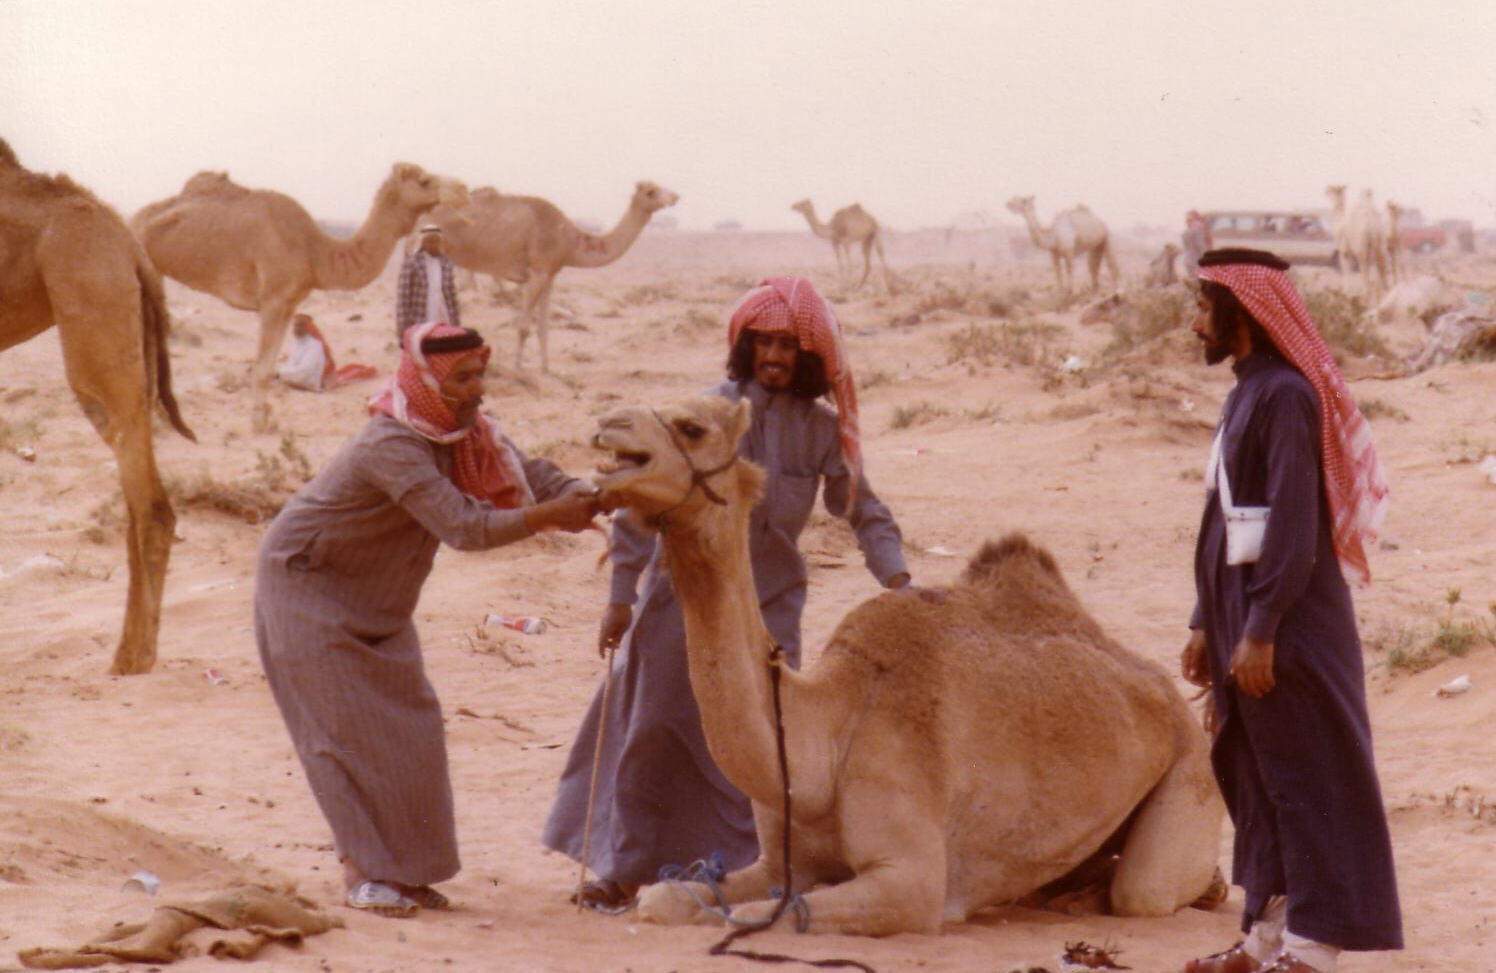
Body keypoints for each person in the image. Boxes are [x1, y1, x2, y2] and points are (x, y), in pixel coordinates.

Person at [542, 276, 910, 908]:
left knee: (758, 744)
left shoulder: (821, 432)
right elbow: (639, 496)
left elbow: (861, 509)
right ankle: (622, 872)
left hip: (768, 609)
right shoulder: (701, 415)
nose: (775, 357)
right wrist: (622, 595)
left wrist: (900, 582)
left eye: (788, 347)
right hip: (678, 600)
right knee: (651, 731)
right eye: (764, 343)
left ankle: (742, 872)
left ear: (808, 358)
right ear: (747, 347)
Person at [254, 322, 600, 918]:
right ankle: (361, 874)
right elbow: (465, 527)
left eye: (479, 375)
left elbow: (528, 474)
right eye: (461, 378)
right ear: (428, 382)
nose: (477, 390)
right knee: (339, 738)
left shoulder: (465, 435)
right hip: (307, 587)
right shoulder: (389, 444)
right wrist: (550, 517)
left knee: (410, 731)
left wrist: (595, 493)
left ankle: (407, 875)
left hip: (380, 600)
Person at [1179, 249, 1402, 973]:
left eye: (1204, 309)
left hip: (1289, 629)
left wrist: (1262, 627)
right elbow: (1225, 516)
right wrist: (1203, 620)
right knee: (1259, 777)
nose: (1194, 323)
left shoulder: (1285, 396)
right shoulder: (1247, 390)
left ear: (1240, 314)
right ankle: (1266, 936)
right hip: (1243, 622)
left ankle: (1311, 949)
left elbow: (1293, 525)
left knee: (1309, 777)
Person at [395, 225, 461, 339]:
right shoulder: (412, 263)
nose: (433, 244)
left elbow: (452, 294)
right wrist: (402, 325)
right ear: (422, 243)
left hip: (443, 314)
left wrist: (456, 320)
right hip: (420, 316)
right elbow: (403, 296)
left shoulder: (446, 263)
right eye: (429, 241)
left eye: (436, 241)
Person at [1182, 210, 1213, 279]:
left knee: (1193, 282)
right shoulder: (1198, 231)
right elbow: (1202, 247)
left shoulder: (1185, 232)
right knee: (1199, 283)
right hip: (1196, 262)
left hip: (1188, 261)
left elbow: (1186, 247)